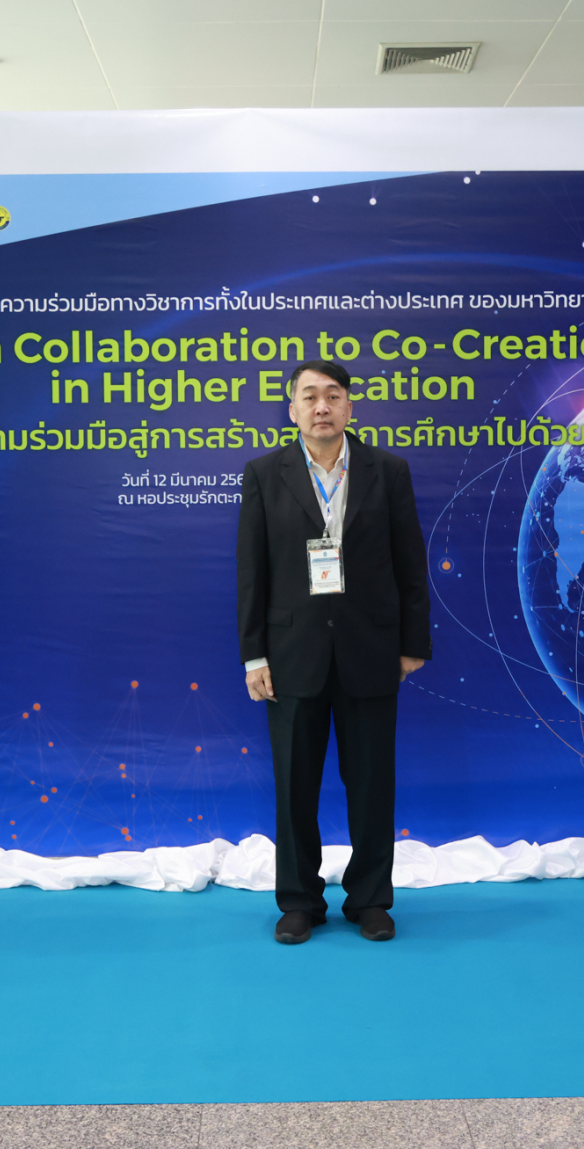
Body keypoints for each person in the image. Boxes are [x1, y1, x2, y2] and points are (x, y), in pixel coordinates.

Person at [237, 360, 431, 944]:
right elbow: (252, 573)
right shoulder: (264, 473)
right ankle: (299, 901)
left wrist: (412, 644)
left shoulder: (387, 470)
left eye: (333, 395)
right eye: (309, 396)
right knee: (294, 787)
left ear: (349, 406)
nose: (321, 406)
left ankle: (370, 898)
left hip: (371, 650)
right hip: (290, 654)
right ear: (292, 409)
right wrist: (254, 655)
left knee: (372, 785)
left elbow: (410, 563)